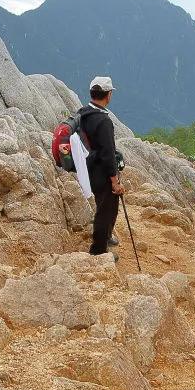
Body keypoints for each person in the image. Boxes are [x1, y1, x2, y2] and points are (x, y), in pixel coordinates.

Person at [78, 76, 123, 257]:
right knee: (106, 210)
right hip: (102, 172)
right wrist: (115, 181)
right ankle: (99, 251)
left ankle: (106, 237)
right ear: (108, 95)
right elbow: (107, 154)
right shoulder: (103, 121)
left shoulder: (84, 113)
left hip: (89, 168)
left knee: (103, 206)